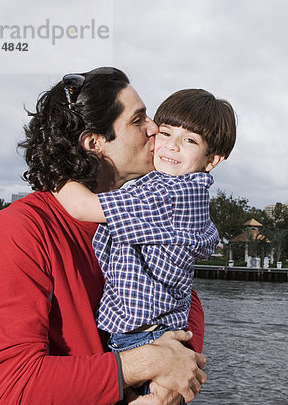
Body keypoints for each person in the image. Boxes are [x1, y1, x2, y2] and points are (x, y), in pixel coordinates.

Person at [0, 67, 206, 405]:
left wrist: (175, 370)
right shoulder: (21, 229)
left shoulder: (137, 212)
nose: (155, 128)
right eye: (139, 120)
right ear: (94, 143)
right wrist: (149, 362)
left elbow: (184, 294)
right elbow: (9, 383)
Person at [54, 89, 237, 396]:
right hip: (153, 331)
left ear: (212, 159)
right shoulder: (174, 186)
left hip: (141, 337)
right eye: (165, 133)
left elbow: (82, 207)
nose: (171, 146)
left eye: (189, 140)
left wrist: (54, 170)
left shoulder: (166, 196)